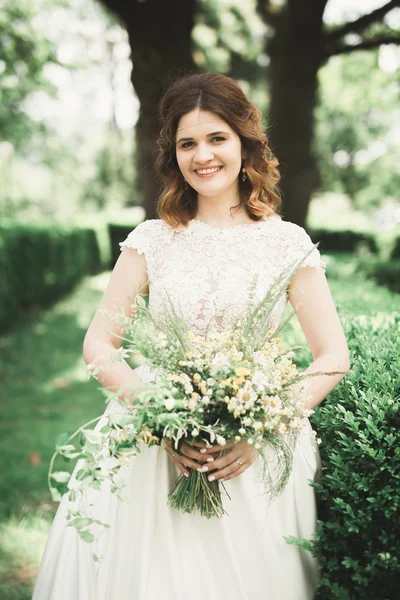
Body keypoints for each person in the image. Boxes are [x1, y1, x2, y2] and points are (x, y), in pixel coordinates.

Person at [32, 73, 350, 600]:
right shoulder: (151, 241)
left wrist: (262, 428)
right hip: (153, 446)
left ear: (245, 142)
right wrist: (157, 419)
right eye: (187, 143)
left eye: (217, 138)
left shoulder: (286, 243)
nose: (202, 155)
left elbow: (332, 355)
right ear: (172, 154)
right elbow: (98, 344)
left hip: (257, 449)